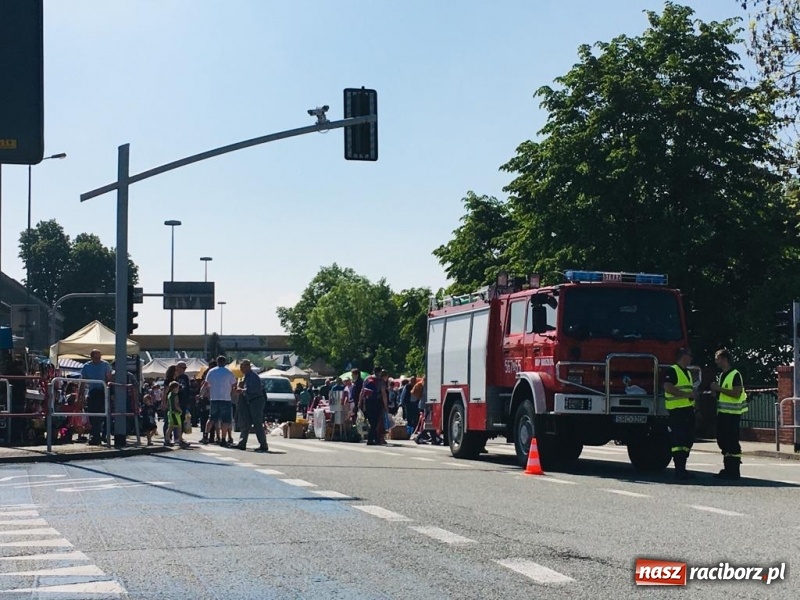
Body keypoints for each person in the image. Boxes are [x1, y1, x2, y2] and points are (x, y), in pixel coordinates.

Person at [709, 349, 748, 480]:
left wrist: (719, 389)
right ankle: (727, 469)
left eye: (717, 358)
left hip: (732, 414)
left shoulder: (735, 374)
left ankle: (734, 471)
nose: (716, 361)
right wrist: (715, 391)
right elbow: (721, 394)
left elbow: (736, 392)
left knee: (731, 442)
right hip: (723, 413)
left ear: (724, 359)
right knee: (722, 440)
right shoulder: (722, 375)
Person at [663, 347, 697, 480]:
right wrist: (686, 394)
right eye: (690, 355)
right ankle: (679, 469)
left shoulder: (687, 372)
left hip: (687, 410)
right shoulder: (673, 370)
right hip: (677, 411)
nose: (691, 358)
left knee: (687, 440)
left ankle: (682, 468)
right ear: (683, 356)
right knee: (679, 441)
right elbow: (668, 387)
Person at [200, 356, 237, 447]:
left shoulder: (211, 371)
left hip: (214, 398)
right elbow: (234, 385)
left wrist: (203, 393)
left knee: (212, 418)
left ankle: (205, 436)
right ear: (225, 362)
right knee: (225, 420)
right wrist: (231, 393)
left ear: (217, 362)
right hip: (226, 398)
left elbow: (206, 384)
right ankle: (223, 439)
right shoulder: (229, 372)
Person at [78, 349, 112, 445]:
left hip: (102, 393)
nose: (98, 359)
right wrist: (79, 396)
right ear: (91, 357)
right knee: (92, 416)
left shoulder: (105, 365)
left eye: (99, 357)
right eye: (96, 357)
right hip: (92, 393)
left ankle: (100, 436)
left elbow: (109, 379)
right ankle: (95, 436)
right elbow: (83, 381)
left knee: (101, 416)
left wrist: (109, 393)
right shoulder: (86, 366)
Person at [235, 360, 269, 452]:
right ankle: (242, 443)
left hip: (256, 401)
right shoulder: (245, 376)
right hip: (248, 401)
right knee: (246, 423)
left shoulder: (253, 377)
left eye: (242, 367)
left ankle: (263, 444)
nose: (241, 369)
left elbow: (252, 389)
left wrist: (242, 390)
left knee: (257, 423)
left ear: (247, 367)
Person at [360, 367, 387, 445]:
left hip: (367, 402)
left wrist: (360, 402)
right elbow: (383, 393)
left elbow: (362, 391)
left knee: (371, 421)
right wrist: (386, 406)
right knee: (375, 422)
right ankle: (371, 439)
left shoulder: (367, 379)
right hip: (376, 402)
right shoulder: (380, 381)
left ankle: (375, 438)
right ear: (379, 372)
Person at [164, 382, 189, 448]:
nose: (178, 389)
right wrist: (180, 410)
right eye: (177, 387)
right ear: (174, 388)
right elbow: (176, 404)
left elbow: (168, 404)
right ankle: (180, 440)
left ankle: (167, 440)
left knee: (170, 427)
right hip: (175, 413)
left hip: (170, 412)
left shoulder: (169, 394)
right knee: (179, 427)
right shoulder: (175, 395)